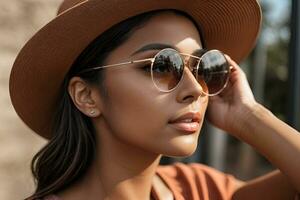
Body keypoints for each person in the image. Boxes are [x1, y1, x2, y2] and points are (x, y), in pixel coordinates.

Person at [9, 0, 300, 199]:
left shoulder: (198, 189)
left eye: (202, 67)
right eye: (161, 66)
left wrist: (249, 116)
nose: (195, 88)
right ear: (86, 96)